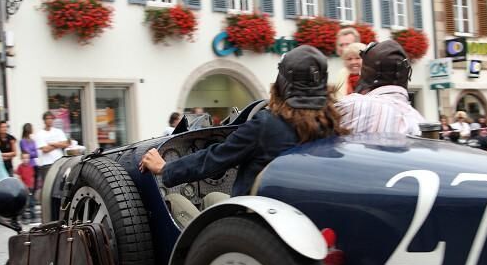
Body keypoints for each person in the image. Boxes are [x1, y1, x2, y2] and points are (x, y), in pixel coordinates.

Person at [140, 46, 348, 224]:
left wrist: (166, 168)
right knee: (213, 197)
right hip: (300, 216)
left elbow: (214, 159)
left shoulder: (267, 125)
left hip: (254, 224)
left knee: (175, 201)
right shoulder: (332, 125)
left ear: (283, 84)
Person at [335, 40, 428, 135]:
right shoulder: (419, 121)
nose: (353, 62)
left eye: (357, 58)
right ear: (406, 74)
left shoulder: (352, 106)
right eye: (349, 59)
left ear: (366, 73)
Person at [35, 112, 71, 193]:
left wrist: (52, 143)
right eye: (47, 119)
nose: (50, 120)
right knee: (48, 188)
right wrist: (58, 144)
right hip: (46, 164)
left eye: (51, 118)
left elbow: (66, 144)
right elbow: (45, 149)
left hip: (59, 162)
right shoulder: (39, 134)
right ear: (44, 120)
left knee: (60, 185)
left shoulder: (58, 131)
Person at [332, 25, 362, 93]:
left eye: (348, 44)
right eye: (341, 45)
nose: (344, 48)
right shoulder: (341, 73)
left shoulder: (365, 71)